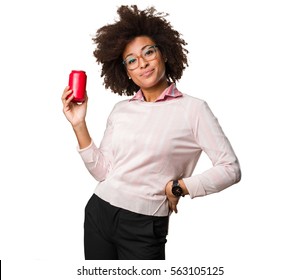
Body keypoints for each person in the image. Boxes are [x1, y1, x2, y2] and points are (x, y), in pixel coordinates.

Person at [61, 5, 241, 260]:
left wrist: (180, 187)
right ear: (126, 72)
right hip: (98, 213)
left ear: (164, 54)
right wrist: (79, 123)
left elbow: (230, 168)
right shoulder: (121, 110)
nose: (142, 63)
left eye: (149, 52)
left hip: (144, 224)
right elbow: (102, 172)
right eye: (132, 60)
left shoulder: (193, 109)